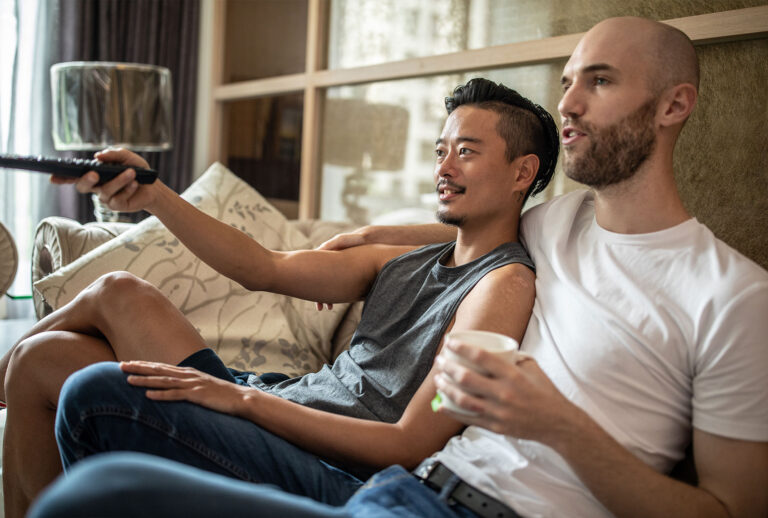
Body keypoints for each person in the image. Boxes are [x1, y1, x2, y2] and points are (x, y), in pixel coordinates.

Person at [28, 16, 768, 518]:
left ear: (675, 105)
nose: (569, 102)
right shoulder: (559, 225)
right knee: (76, 372)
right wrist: (158, 192)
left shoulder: (733, 296)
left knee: (96, 447)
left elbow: (730, 511)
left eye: (599, 82)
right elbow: (460, 234)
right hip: (406, 490)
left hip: (420, 486)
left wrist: (560, 425)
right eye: (568, 81)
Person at [2, 78, 559, 518]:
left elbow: (411, 442)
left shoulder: (502, 287)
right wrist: (153, 194)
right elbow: (260, 267)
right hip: (279, 406)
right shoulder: (401, 259)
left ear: (522, 173)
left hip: (329, 465)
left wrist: (243, 401)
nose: (444, 167)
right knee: (46, 354)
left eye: (466, 152)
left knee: (93, 389)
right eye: (441, 151)